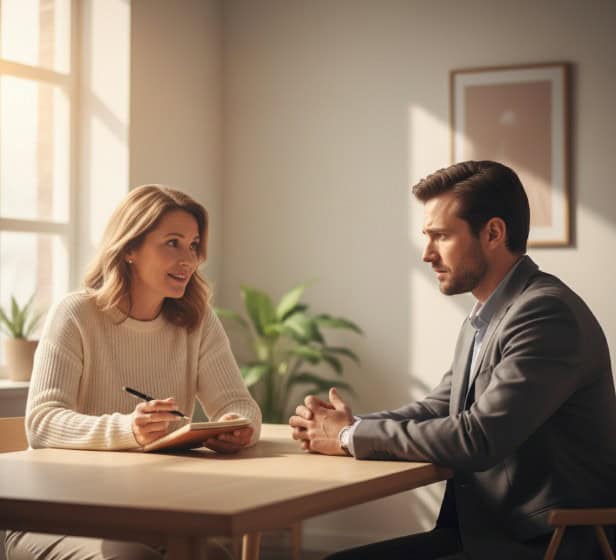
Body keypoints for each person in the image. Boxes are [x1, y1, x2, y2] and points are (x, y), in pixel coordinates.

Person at [289, 161, 616, 560]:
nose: (426, 254)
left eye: (440, 236)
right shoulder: (489, 314)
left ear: (493, 233)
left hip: (546, 543)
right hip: (489, 535)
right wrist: (348, 425)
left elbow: (478, 438)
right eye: (427, 237)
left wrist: (346, 438)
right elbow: (438, 408)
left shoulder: (545, 314)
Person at [5, 185, 262, 560]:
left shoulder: (197, 320)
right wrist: (129, 429)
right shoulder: (76, 314)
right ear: (129, 248)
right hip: (55, 516)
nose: (188, 259)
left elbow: (240, 404)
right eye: (172, 243)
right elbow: (42, 422)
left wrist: (237, 428)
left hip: (151, 513)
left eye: (192, 245)